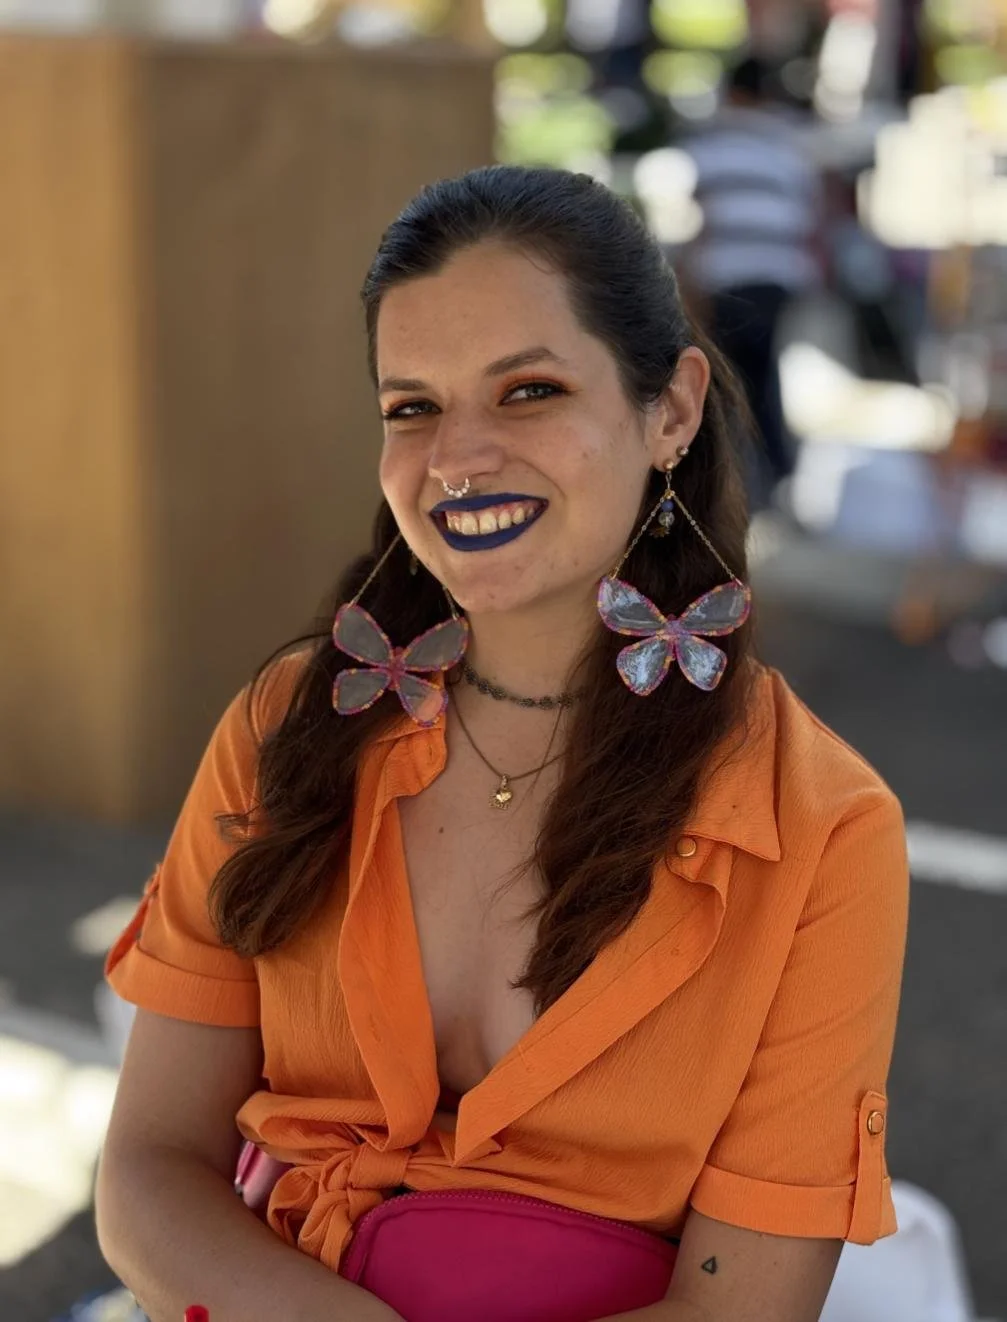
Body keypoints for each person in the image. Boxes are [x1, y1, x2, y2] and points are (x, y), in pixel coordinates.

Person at [94, 165, 908, 1322]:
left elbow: (737, 1308)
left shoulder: (821, 826)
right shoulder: (283, 727)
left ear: (667, 410)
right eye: (410, 405)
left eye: (525, 390)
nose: (456, 457)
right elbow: (146, 1171)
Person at [681, 56, 825, 501]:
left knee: (727, 378)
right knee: (759, 372)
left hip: (727, 280)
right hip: (778, 281)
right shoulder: (789, 148)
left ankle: (739, 475)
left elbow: (695, 223)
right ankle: (776, 472)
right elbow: (810, 222)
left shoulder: (711, 145)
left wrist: (687, 282)